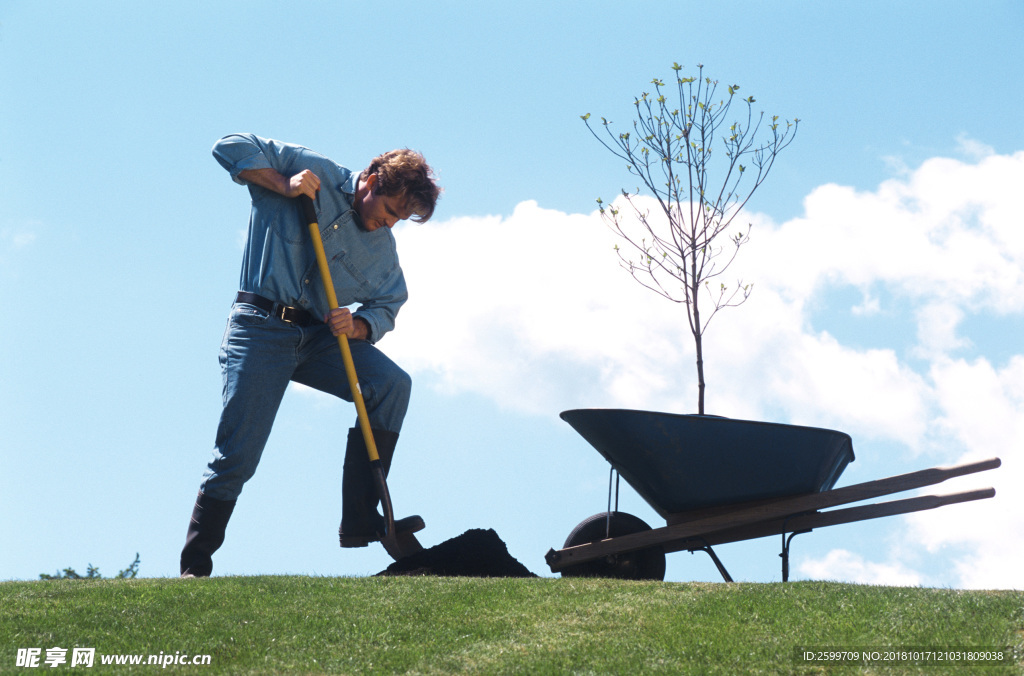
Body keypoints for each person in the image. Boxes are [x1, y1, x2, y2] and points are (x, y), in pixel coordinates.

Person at [180, 133, 441, 578]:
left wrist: (359, 326)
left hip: (320, 339)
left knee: (392, 384)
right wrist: (283, 185)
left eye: (401, 219)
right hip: (260, 327)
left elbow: (389, 303)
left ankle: (361, 517)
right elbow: (228, 145)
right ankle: (195, 565)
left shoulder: (382, 252)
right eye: (391, 211)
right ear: (372, 181)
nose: (390, 224)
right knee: (237, 456)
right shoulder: (310, 168)